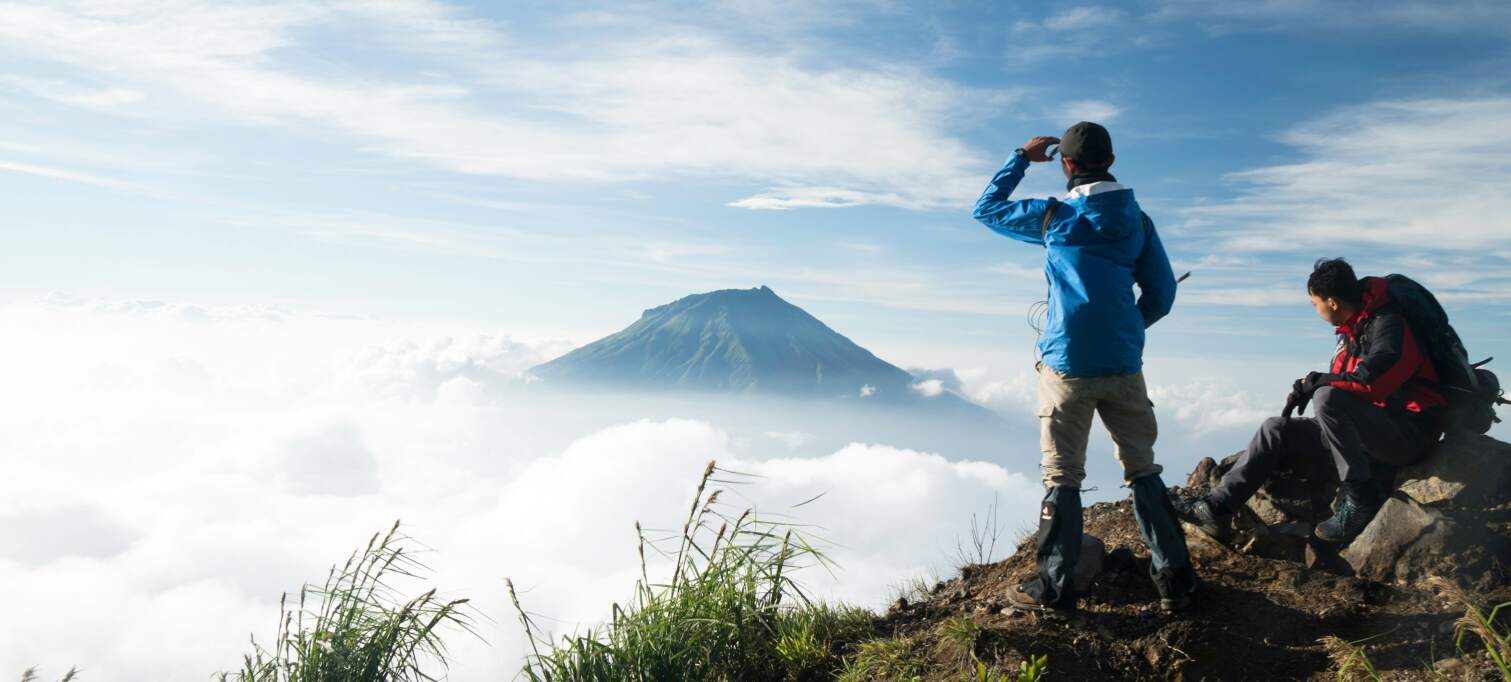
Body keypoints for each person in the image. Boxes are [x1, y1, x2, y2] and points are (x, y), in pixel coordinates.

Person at [972, 122, 1195, 614]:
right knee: (1142, 468)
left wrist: (1021, 158)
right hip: (1122, 363)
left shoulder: (1054, 216)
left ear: (1067, 164)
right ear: (1111, 158)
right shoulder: (1137, 221)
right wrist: (1130, 328)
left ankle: (1056, 587)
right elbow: (1162, 292)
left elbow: (985, 210)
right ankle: (1176, 579)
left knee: (1062, 474)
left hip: (1066, 364)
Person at [1174, 258, 1445, 544]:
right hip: (1371, 430)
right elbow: (1348, 383)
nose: (1317, 310)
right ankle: (1217, 509)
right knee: (1275, 429)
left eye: (1315, 304)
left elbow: (1372, 384)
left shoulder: (1391, 327)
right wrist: (1309, 385)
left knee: (1327, 396)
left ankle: (1360, 498)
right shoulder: (1354, 329)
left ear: (1332, 301)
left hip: (1408, 435)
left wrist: (1319, 383)